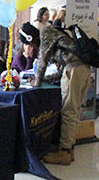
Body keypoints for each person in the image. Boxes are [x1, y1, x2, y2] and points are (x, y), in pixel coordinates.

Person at [32, 25, 92, 165]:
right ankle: (69, 148)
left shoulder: (45, 33)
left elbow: (43, 60)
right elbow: (59, 70)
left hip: (74, 69)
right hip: (83, 69)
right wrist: (45, 79)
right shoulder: (59, 34)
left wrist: (37, 83)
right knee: (75, 110)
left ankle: (64, 152)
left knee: (68, 111)